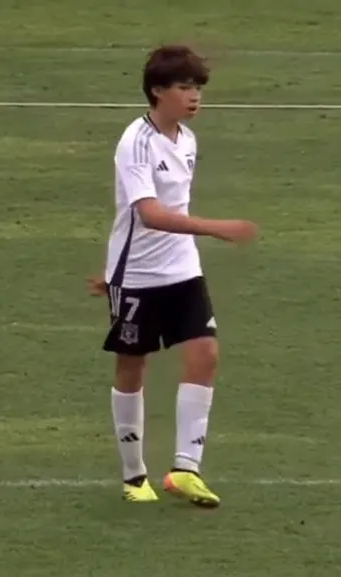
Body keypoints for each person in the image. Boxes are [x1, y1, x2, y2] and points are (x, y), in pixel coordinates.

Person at [87, 44, 259, 508]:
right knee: (132, 364)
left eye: (198, 88)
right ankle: (133, 475)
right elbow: (148, 214)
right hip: (139, 272)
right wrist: (216, 228)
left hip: (182, 268)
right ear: (157, 91)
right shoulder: (136, 142)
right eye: (185, 87)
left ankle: (185, 469)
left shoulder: (186, 139)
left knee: (205, 352)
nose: (194, 96)